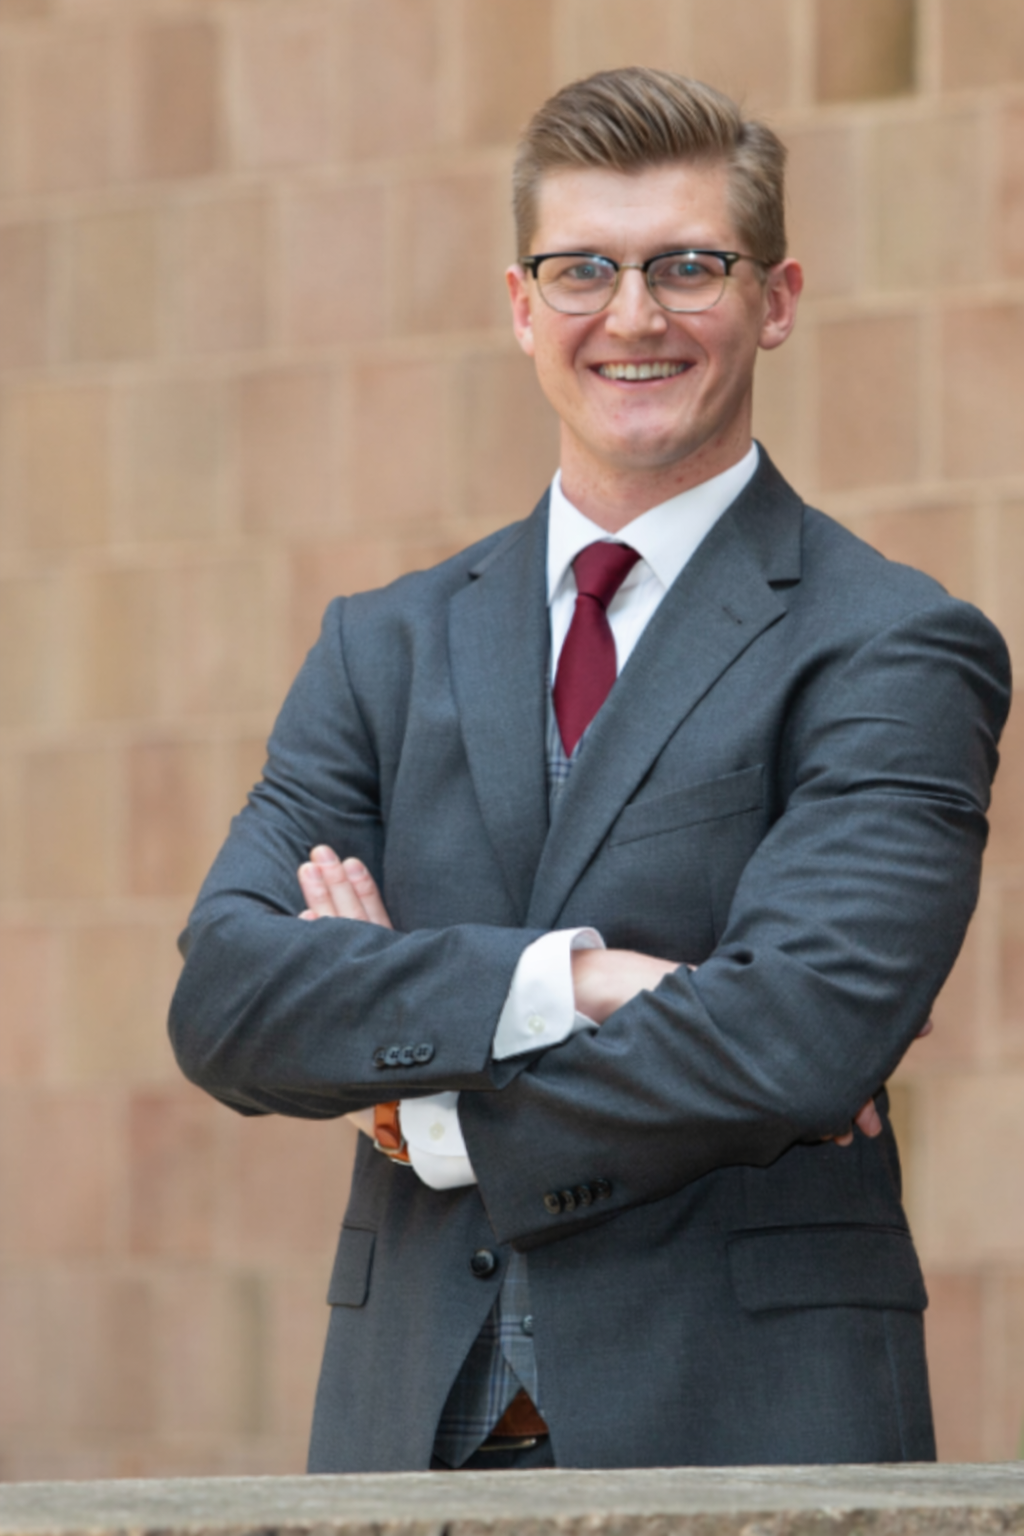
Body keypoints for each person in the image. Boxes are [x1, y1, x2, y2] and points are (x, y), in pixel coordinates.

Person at [170, 68, 1010, 1472]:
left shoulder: (893, 646)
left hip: (747, 1425)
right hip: (407, 1436)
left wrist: (428, 1110)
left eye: (689, 265)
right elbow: (229, 999)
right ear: (520, 307)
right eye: (583, 270)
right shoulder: (383, 647)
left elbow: (797, 1038)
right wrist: (579, 980)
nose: (633, 316)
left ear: (776, 300)